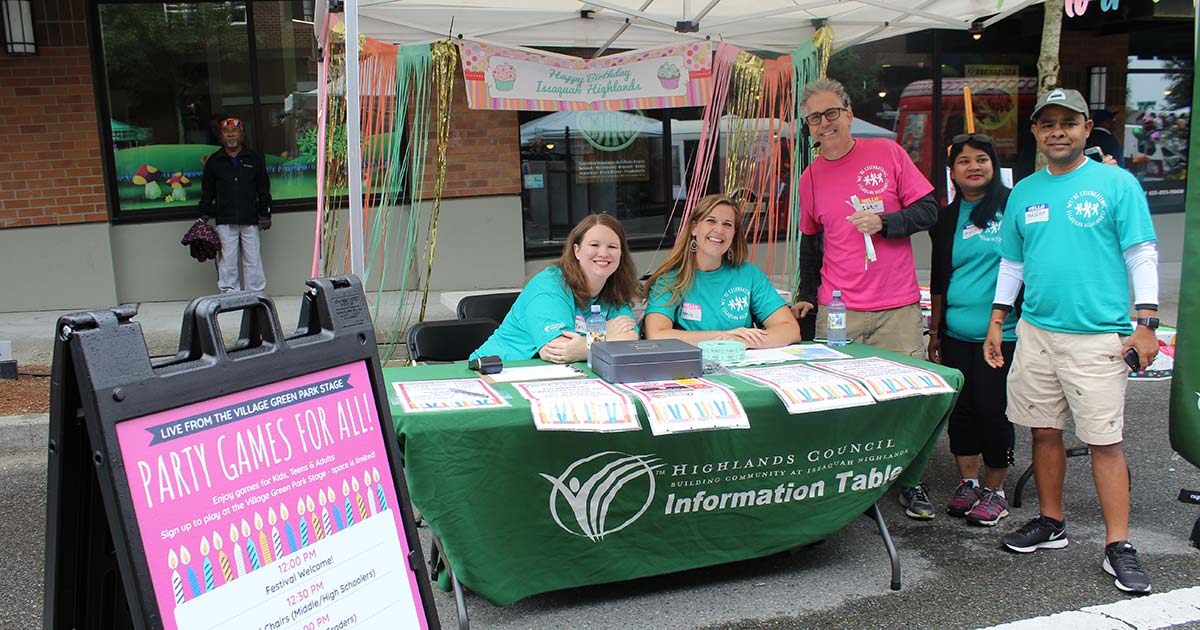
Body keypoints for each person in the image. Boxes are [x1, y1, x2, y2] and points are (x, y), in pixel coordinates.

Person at [984, 88, 1159, 594]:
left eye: (1068, 122)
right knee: (1042, 431)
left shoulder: (1115, 184)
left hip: (1098, 336)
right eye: (1047, 124)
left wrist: (1145, 322)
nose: (1057, 131)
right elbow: (1012, 263)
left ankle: (1118, 545)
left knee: (1105, 441)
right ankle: (1052, 522)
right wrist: (999, 318)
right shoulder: (1024, 192)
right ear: (1036, 133)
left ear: (1086, 128)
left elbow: (1142, 254)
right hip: (1036, 331)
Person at [791, 78, 940, 520]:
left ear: (849, 113)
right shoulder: (810, 178)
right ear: (809, 128)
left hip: (897, 307)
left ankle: (910, 483)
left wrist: (886, 222)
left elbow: (929, 209)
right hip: (840, 312)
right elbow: (811, 245)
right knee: (843, 403)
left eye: (831, 112)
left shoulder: (888, 154)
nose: (824, 123)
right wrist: (804, 294)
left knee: (909, 400)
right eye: (814, 118)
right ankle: (851, 486)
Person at [928, 134, 1017, 527]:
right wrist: (934, 333)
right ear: (953, 173)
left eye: (982, 159)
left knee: (992, 410)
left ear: (994, 166)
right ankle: (968, 482)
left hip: (1003, 334)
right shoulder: (946, 218)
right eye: (964, 162)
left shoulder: (1012, 207)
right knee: (961, 411)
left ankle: (995, 489)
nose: (973, 167)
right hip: (954, 333)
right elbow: (938, 279)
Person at [471, 213, 639, 363]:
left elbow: (631, 338)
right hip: (498, 370)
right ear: (576, 250)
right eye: (594, 245)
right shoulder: (549, 284)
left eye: (612, 247)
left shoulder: (615, 286)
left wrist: (585, 344)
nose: (603, 253)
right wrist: (605, 334)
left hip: (561, 374)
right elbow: (559, 350)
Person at [643, 194, 801, 348]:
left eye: (728, 224)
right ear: (694, 228)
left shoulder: (749, 275)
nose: (719, 230)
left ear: (734, 234)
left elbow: (790, 329)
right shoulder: (670, 279)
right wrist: (722, 338)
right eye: (711, 221)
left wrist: (741, 341)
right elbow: (657, 335)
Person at [199, 117, 272, 293]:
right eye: (227, 131)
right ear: (221, 136)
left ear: (242, 135)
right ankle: (230, 294)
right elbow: (207, 191)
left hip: (250, 218)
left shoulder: (253, 158)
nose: (231, 134)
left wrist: (265, 213)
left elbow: (263, 187)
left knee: (253, 259)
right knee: (227, 260)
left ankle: (255, 294)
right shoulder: (214, 161)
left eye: (234, 131)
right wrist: (203, 215)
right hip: (225, 219)